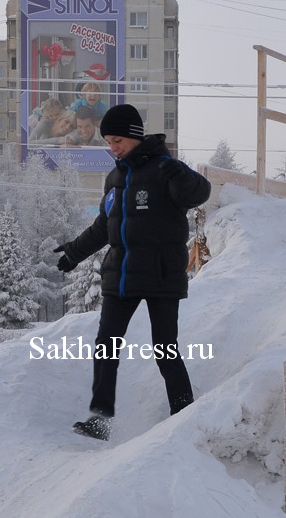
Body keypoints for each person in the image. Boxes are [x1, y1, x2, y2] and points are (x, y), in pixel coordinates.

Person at [54, 104, 212, 440]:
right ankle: (100, 419)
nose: (112, 147)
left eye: (117, 140)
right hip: (120, 275)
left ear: (135, 136)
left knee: (164, 348)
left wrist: (182, 175)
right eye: (109, 141)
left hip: (161, 274)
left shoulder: (166, 168)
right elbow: (104, 226)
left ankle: (184, 413)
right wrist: (75, 251)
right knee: (105, 346)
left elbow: (200, 193)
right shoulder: (115, 177)